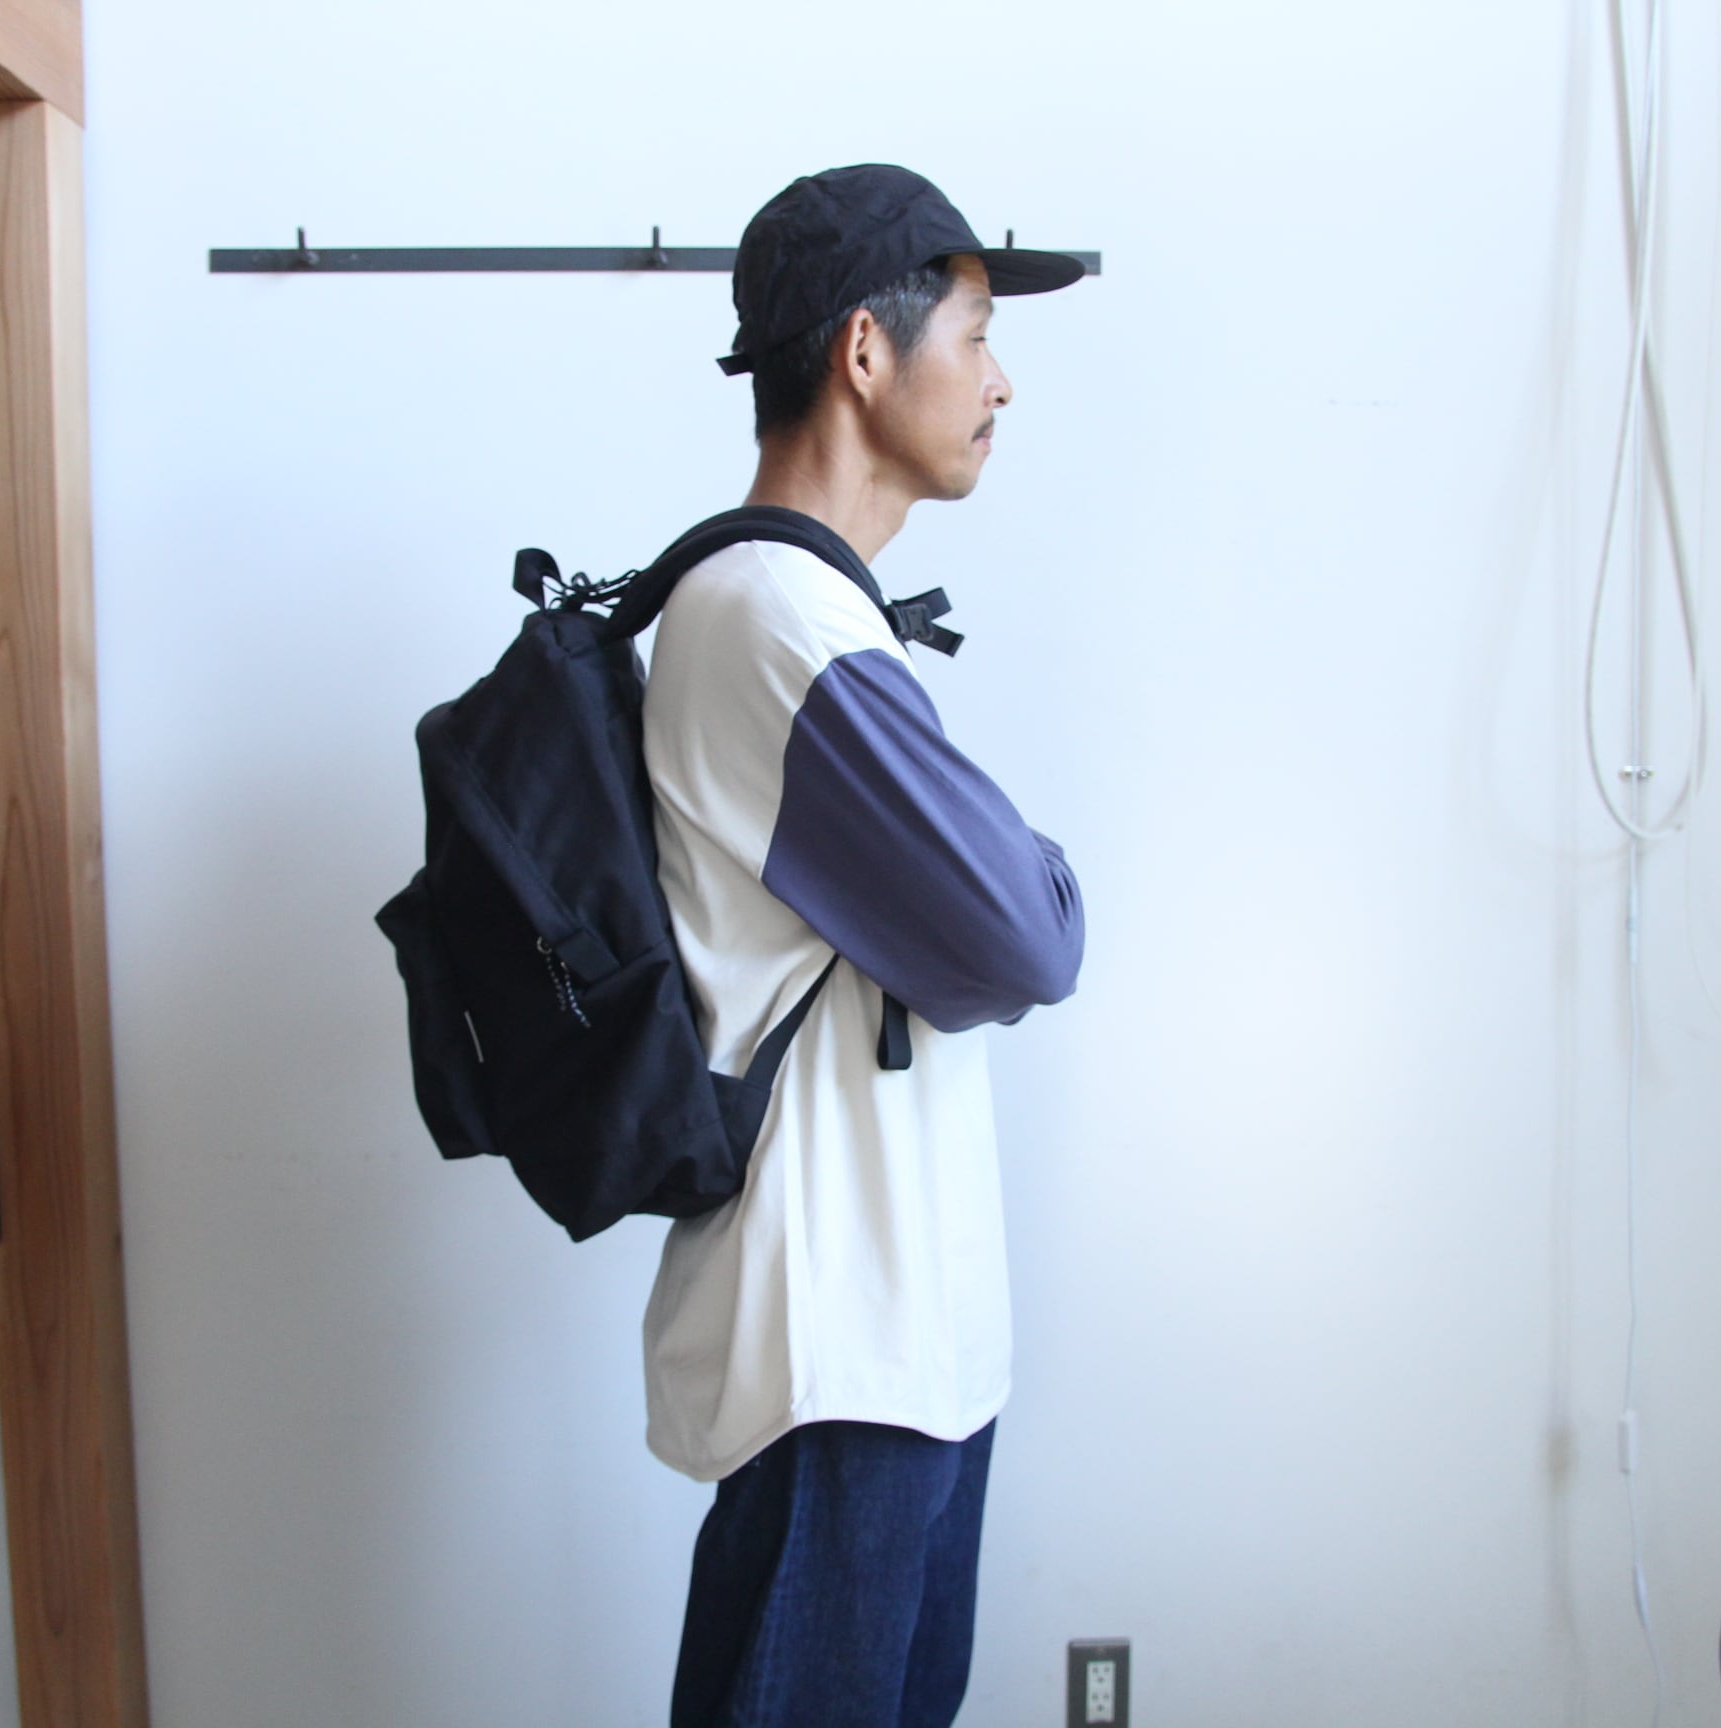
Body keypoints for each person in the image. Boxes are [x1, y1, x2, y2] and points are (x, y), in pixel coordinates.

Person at [642, 163, 1089, 1728]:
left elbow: (982, 924)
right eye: (975, 333)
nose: (1002, 380)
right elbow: (1027, 938)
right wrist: (1029, 864)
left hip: (903, 1344)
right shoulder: (776, 620)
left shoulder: (819, 614)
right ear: (862, 351)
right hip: (839, 1352)